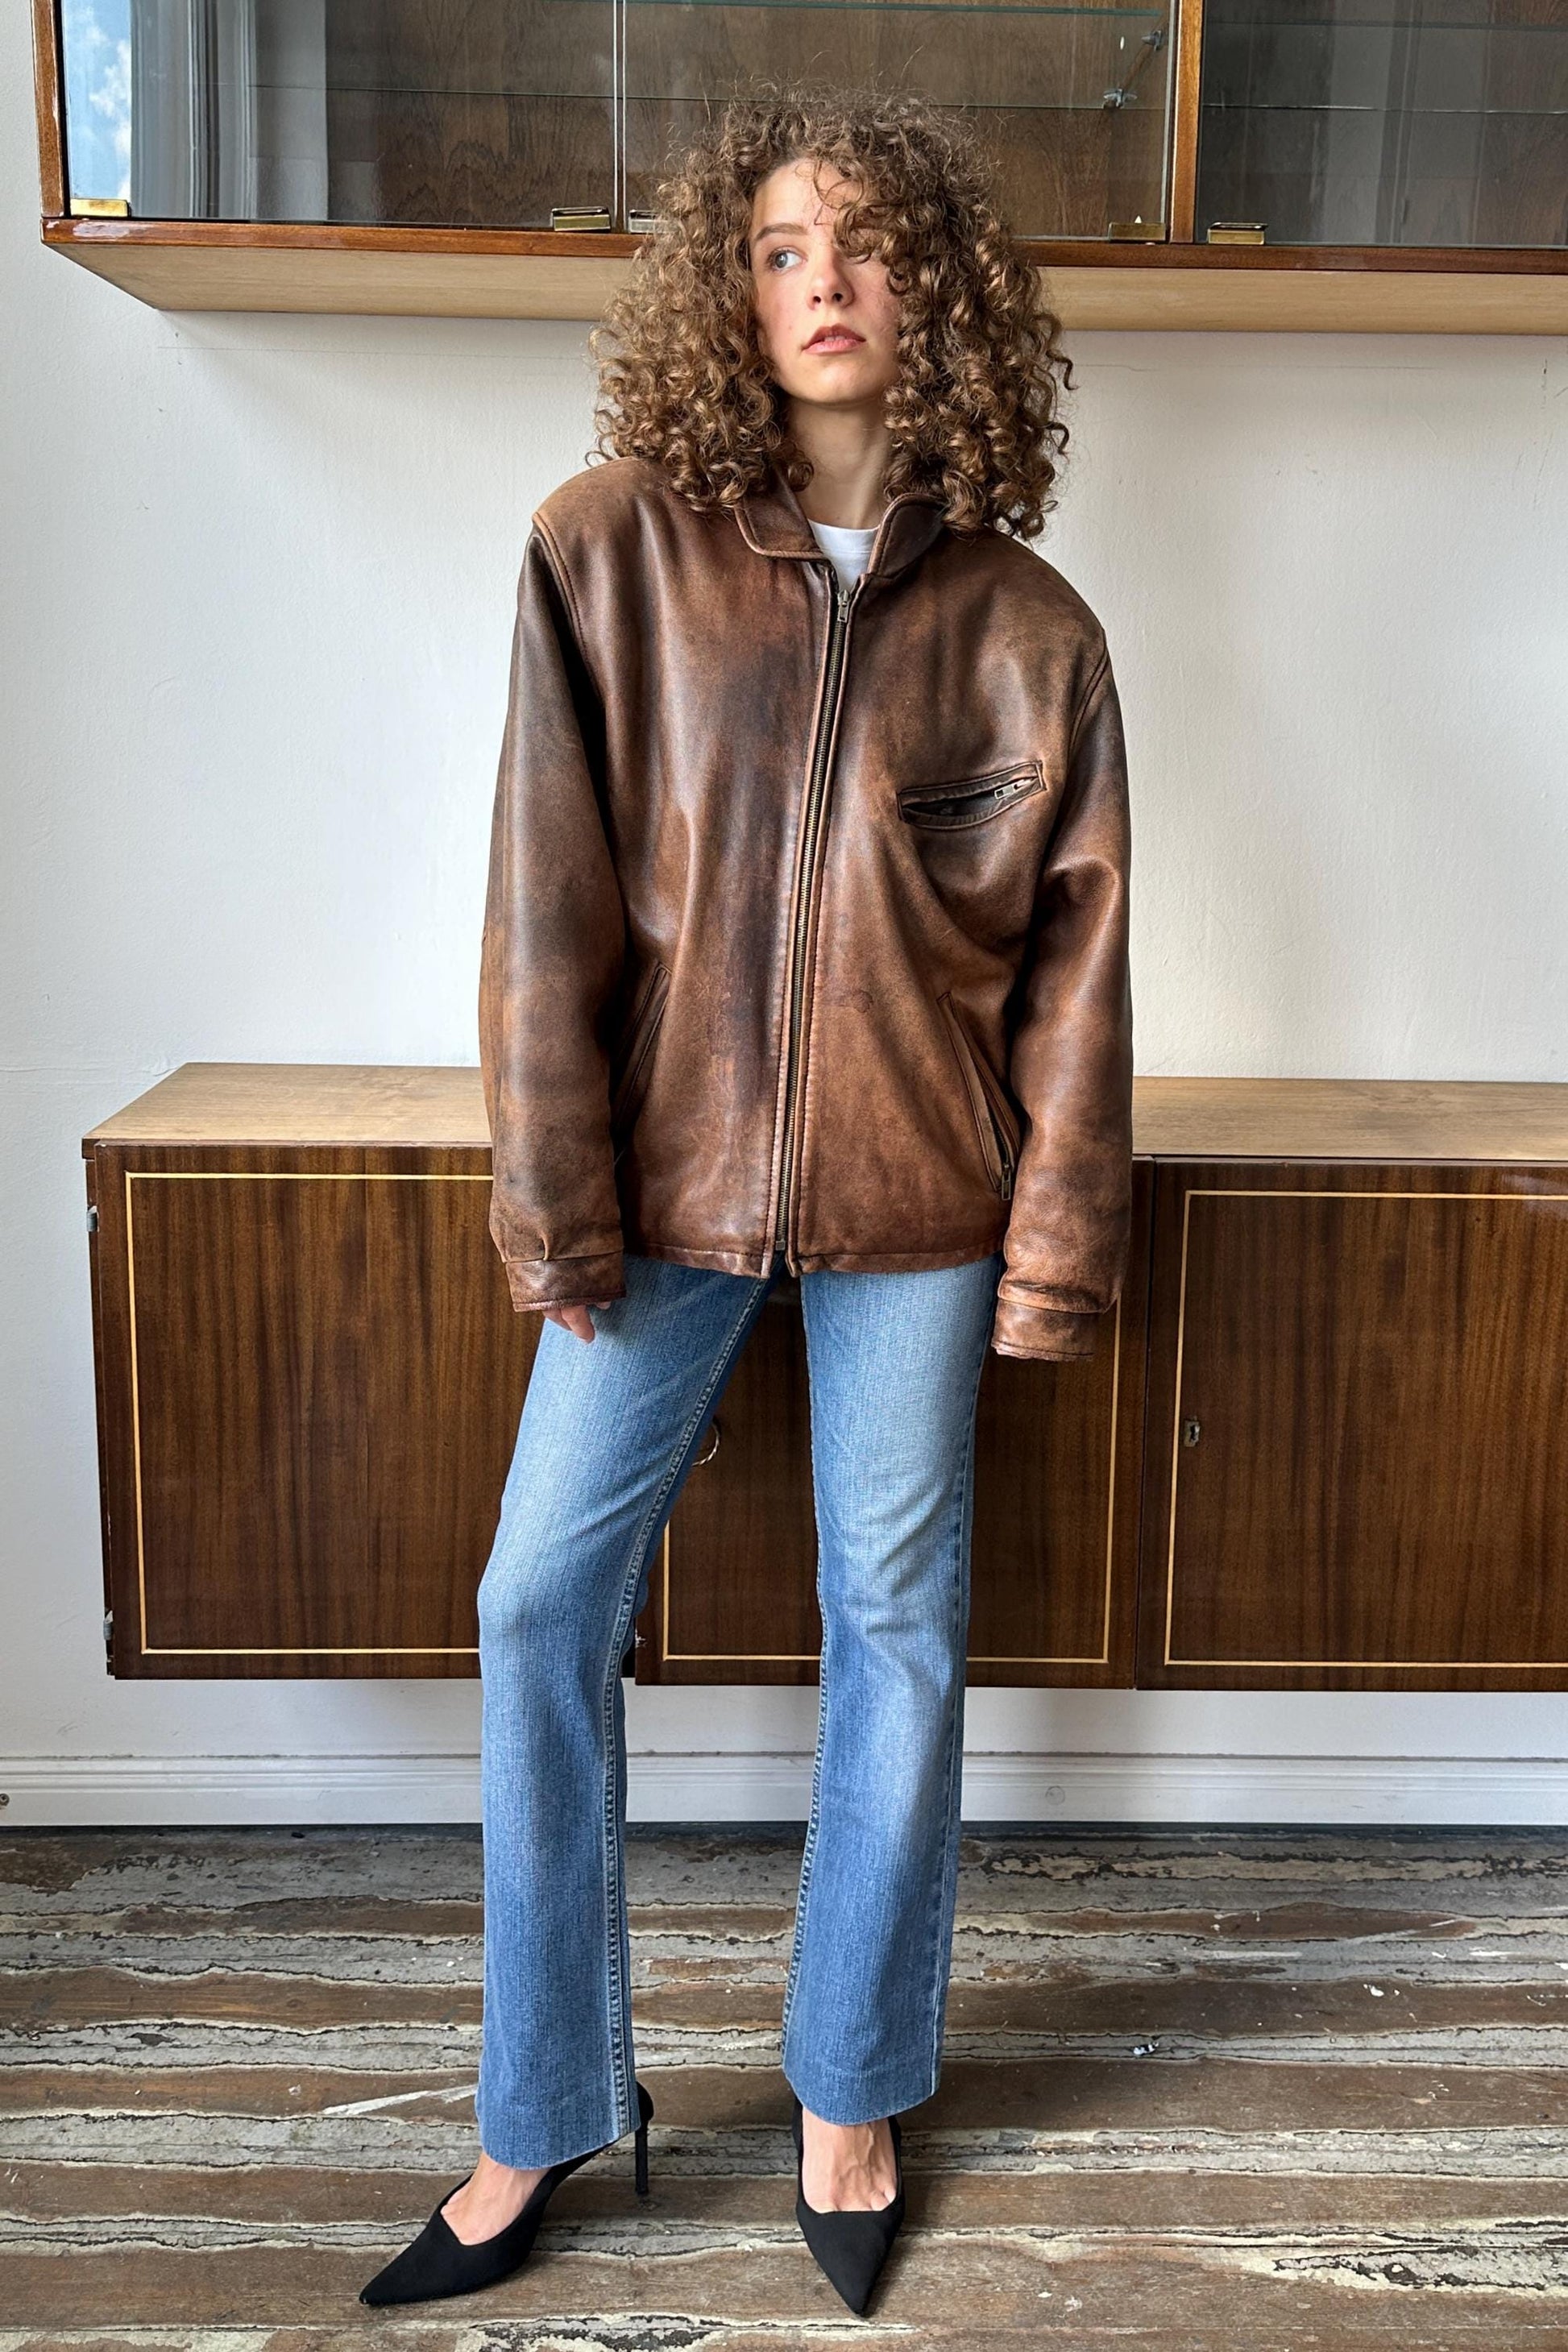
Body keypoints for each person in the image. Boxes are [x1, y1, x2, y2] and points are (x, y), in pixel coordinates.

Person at [361, 80, 1133, 2319]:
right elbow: (543, 908)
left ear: (944, 296)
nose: (824, 288)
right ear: (731, 283)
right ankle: (538, 2110)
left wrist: (1057, 1245)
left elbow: (1076, 972)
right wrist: (556, 1207)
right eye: (784, 249)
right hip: (661, 1191)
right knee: (533, 1606)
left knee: (894, 1631)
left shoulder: (1029, 623)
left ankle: (848, 2085)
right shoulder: (601, 546)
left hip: (920, 1201)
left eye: (870, 247)